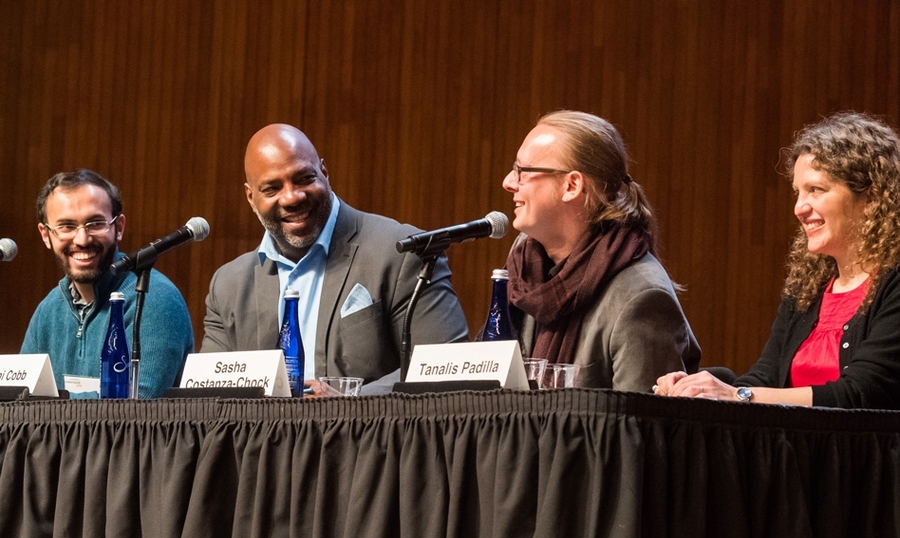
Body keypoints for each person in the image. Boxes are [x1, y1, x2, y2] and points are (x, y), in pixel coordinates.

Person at [655, 111, 900, 409]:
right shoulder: (809, 288)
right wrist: (700, 385)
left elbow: (860, 393)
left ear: (872, 197)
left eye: (816, 190)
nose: (799, 208)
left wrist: (736, 395)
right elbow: (766, 378)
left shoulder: (894, 284)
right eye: (798, 192)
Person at [201, 123, 469, 395]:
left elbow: (445, 365)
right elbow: (212, 395)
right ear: (251, 197)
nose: (292, 197)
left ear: (325, 173)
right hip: (264, 437)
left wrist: (348, 401)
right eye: (272, 188)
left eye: (304, 178)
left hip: (369, 435)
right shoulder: (228, 286)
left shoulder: (402, 253)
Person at [501, 110, 700, 391]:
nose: (508, 182)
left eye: (522, 171)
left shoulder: (641, 298)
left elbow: (640, 429)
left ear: (571, 185)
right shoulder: (524, 263)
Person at [21, 169, 194, 398]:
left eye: (95, 223)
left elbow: (138, 405)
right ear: (46, 235)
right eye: (66, 226)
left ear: (118, 227)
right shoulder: (48, 310)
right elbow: (20, 399)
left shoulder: (155, 298)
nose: (82, 239)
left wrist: (48, 404)